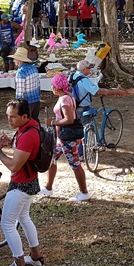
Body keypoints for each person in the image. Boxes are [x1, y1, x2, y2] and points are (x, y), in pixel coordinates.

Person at [0, 99, 45, 266]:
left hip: (21, 183)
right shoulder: (29, 127)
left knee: (7, 223)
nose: (9, 121)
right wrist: (11, 143)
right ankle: (36, 256)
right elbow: (22, 152)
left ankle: (19, 264)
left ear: (24, 116)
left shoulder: (28, 135)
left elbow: (14, 166)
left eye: (13, 117)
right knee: (23, 217)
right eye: (8, 116)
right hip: (29, 179)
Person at [40, 74, 90, 202]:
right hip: (61, 138)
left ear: (57, 87)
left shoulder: (64, 100)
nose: (51, 87)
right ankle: (48, 187)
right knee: (52, 158)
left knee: (75, 164)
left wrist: (53, 123)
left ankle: (84, 192)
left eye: (53, 85)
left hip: (67, 138)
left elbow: (69, 119)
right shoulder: (67, 97)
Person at [69, 60, 124, 126]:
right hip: (82, 108)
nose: (90, 70)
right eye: (89, 68)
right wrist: (115, 91)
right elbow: (99, 91)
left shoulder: (72, 76)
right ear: (83, 70)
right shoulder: (84, 80)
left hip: (73, 106)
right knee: (89, 128)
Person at [10, 46, 41, 120]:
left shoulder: (21, 72)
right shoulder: (34, 68)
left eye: (15, 59)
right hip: (36, 100)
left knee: (26, 125)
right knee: (35, 122)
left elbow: (20, 93)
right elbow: (38, 85)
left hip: (27, 103)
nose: (13, 60)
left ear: (19, 60)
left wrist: (17, 106)